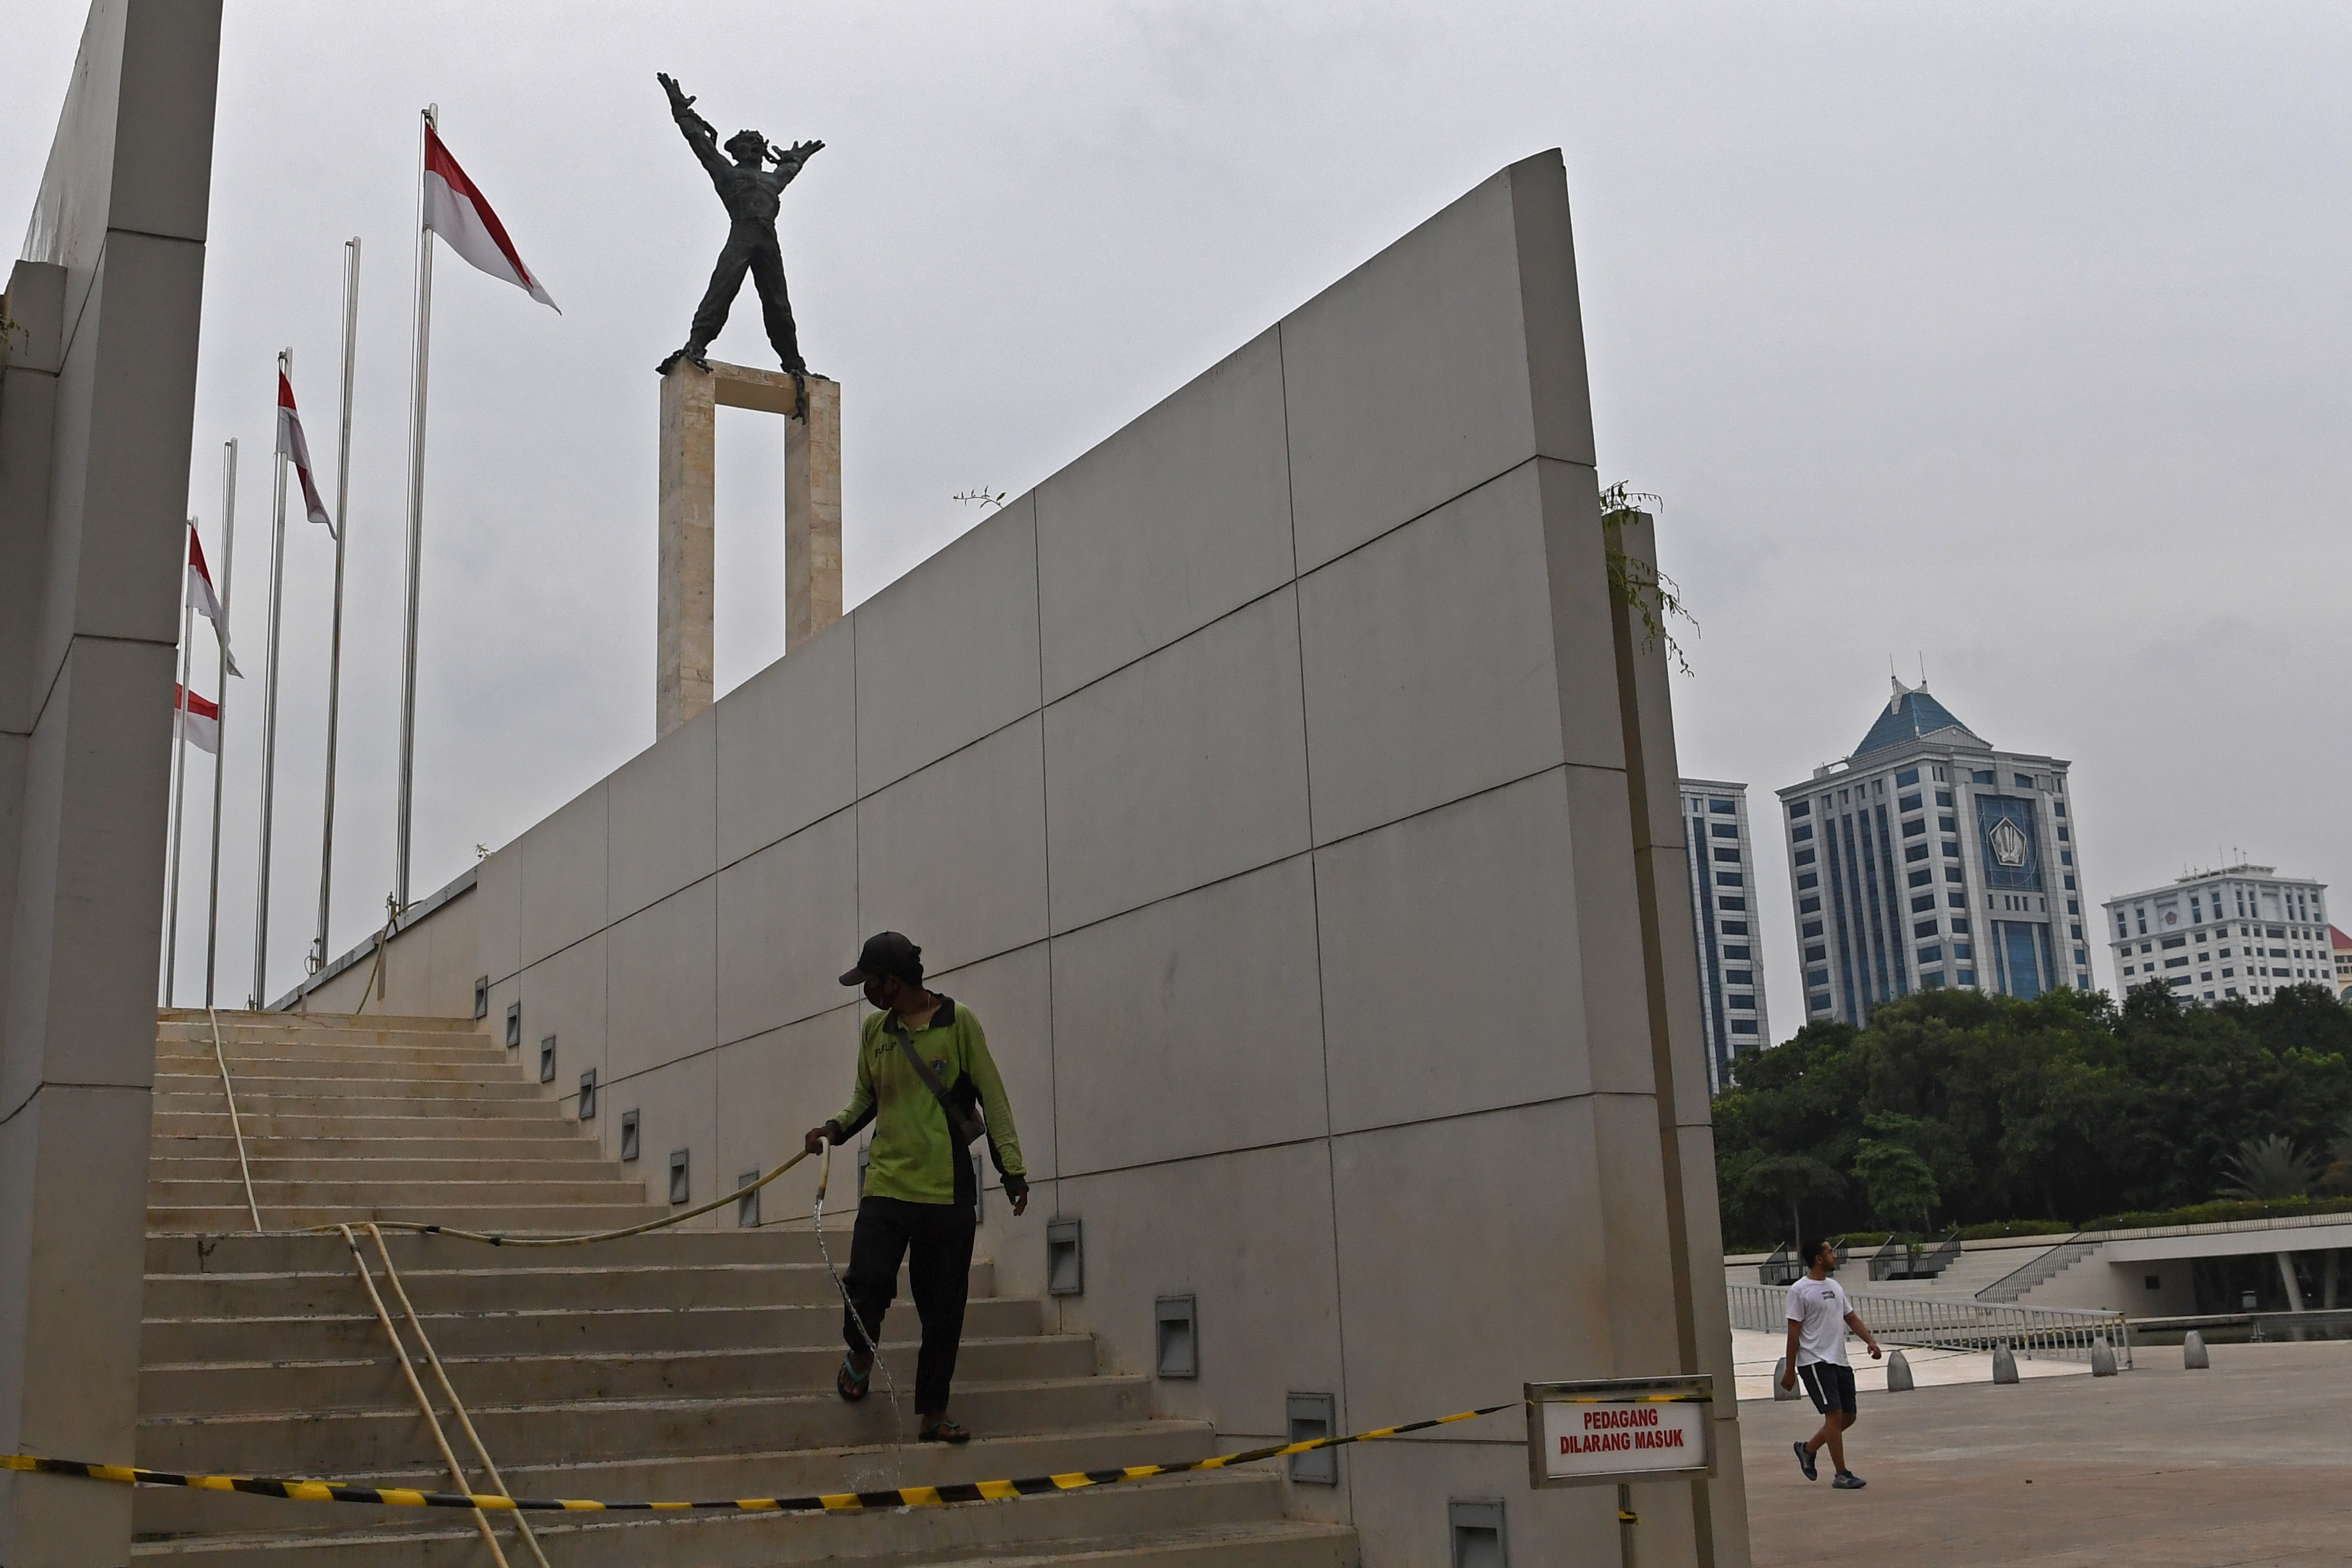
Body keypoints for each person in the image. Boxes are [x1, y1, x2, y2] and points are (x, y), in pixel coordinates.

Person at [803, 932, 1028, 1444]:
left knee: (943, 1310)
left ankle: (933, 1413)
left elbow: (993, 1099)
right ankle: (860, 1354)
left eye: (869, 983)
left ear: (893, 983)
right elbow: (866, 1097)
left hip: (946, 1193)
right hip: (886, 1184)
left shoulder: (959, 1023)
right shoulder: (874, 1032)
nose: (865, 992)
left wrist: (1011, 1170)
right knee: (866, 1283)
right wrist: (832, 1129)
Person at [655, 72, 822, 377]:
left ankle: (795, 365)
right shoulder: (727, 173)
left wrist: (797, 159)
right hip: (743, 233)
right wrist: (680, 111)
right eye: (748, 143)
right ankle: (696, 345)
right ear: (736, 150)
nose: (755, 147)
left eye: (758, 143)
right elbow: (700, 143)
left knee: (778, 304)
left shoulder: (772, 180)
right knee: (722, 289)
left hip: (768, 240)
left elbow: (788, 169)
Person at [1780, 1236, 1882, 1490]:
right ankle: (1841, 1474)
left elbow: (1851, 1317)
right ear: (1818, 1258)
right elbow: (1794, 1332)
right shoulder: (1799, 1290)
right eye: (1830, 1252)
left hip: (1839, 1360)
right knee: (1834, 1416)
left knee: (1849, 1416)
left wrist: (1870, 1341)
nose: (1834, 1256)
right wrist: (1790, 1369)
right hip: (1814, 1361)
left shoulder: (1835, 1287)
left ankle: (1808, 1449)